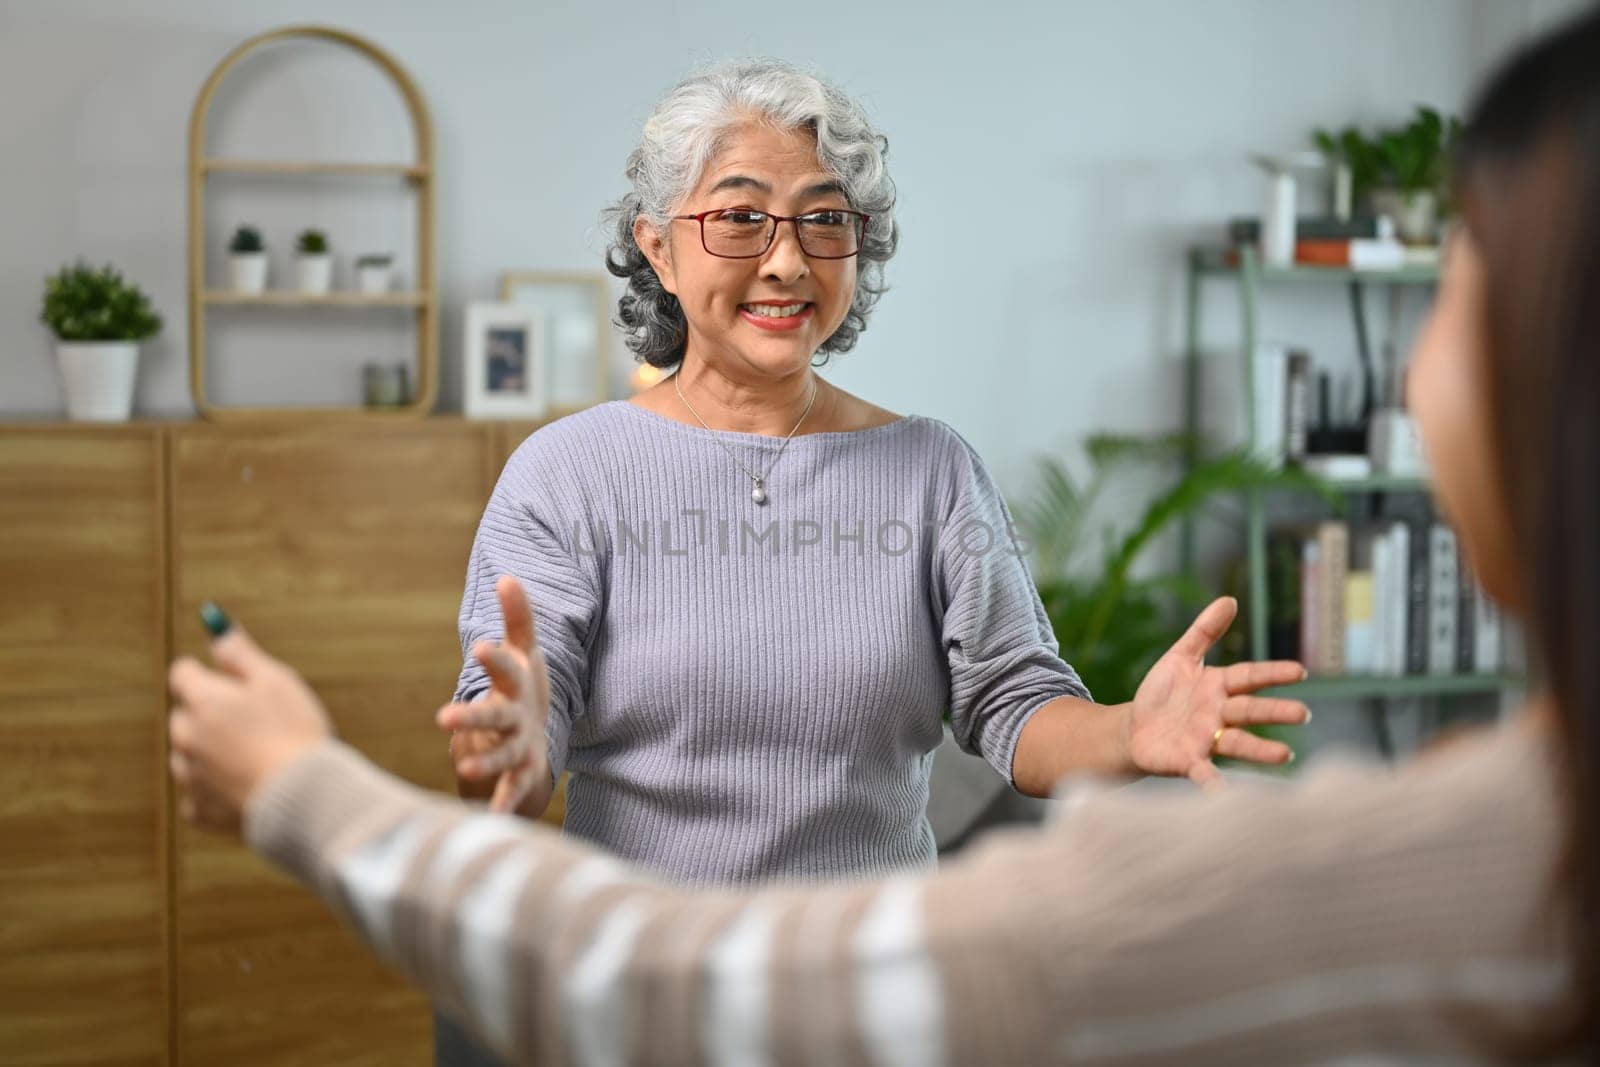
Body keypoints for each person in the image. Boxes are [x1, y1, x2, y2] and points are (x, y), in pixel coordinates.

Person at [168, 12, 1600, 1061]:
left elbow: (1015, 708)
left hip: (871, 1000)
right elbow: (524, 721)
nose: (787, 257)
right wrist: (519, 730)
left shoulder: (928, 471)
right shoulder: (567, 475)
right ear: (656, 250)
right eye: (738, 219)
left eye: (823, 221)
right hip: (643, 1004)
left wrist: (1124, 730)